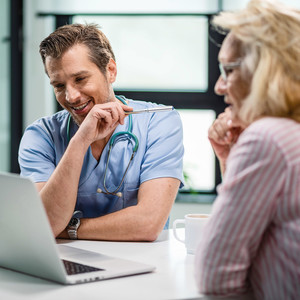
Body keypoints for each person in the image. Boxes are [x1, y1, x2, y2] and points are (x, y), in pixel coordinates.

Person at [18, 23, 184, 242]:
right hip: (69, 266)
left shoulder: (159, 122)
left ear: (110, 71)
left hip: (143, 266)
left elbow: (148, 223)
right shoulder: (41, 136)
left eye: (80, 79)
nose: (71, 96)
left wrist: (70, 228)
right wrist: (80, 141)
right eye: (59, 85)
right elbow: (44, 224)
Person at [195, 0, 300, 299]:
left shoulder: (268, 138)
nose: (219, 86)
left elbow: (214, 276)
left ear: (265, 71)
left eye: (228, 69)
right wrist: (231, 159)